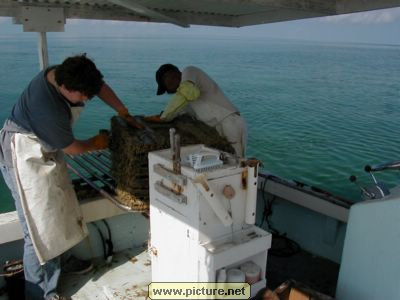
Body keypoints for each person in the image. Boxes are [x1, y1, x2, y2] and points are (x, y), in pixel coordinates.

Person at [0, 54, 141, 300]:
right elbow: (73, 149)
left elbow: (98, 87)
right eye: (83, 96)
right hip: (25, 154)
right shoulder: (48, 109)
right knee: (37, 230)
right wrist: (95, 143)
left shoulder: (65, 73)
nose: (87, 100)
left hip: (47, 147)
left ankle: (59, 263)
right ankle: (40, 292)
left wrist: (123, 111)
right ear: (65, 88)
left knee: (59, 208)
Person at [153, 64, 247, 157]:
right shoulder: (184, 100)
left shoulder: (189, 71)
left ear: (170, 75)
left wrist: (164, 117)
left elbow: (188, 91)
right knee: (225, 163)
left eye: (165, 86)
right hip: (216, 130)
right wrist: (162, 116)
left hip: (229, 121)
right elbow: (177, 111)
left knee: (237, 161)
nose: (167, 91)